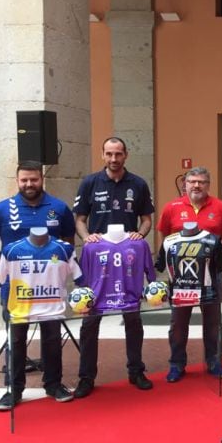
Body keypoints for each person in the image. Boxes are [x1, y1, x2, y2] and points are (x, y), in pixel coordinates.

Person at [0, 161, 76, 410]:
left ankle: (54, 385)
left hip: (50, 290)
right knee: (17, 340)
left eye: (33, 179)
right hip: (16, 291)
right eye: (24, 180)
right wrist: (8, 268)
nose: (29, 184)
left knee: (53, 339)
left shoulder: (58, 208)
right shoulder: (1, 210)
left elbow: (68, 244)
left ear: (41, 178)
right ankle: (14, 390)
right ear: (17, 181)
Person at [72, 137, 155, 398]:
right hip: (99, 260)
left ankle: (136, 370)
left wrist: (140, 235)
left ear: (126, 155)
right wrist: (86, 238)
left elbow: (146, 220)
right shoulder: (90, 183)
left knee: (133, 318)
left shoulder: (138, 184)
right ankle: (86, 377)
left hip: (127, 261)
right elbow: (80, 220)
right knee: (90, 319)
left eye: (118, 154)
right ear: (102, 154)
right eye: (109, 154)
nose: (113, 159)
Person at [157, 166, 222, 382]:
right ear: (185, 184)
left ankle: (215, 361)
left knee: (213, 321)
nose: (196, 185)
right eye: (192, 181)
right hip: (181, 277)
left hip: (211, 275)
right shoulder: (171, 207)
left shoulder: (221, 208)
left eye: (201, 182)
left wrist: (208, 255)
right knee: (178, 323)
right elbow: (165, 235)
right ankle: (176, 364)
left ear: (208, 185)